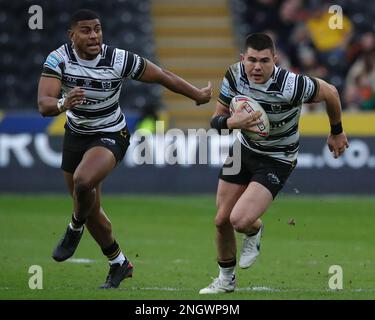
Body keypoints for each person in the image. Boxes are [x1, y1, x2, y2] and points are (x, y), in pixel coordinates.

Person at [37, 9, 212, 289]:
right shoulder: (58, 59)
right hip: (76, 135)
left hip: (110, 133)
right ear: (72, 35)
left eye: (97, 28)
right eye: (85, 30)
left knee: (84, 183)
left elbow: (161, 75)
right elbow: (44, 104)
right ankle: (119, 263)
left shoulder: (118, 59)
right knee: (91, 207)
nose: (94, 35)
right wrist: (63, 103)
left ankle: (73, 228)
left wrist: (197, 95)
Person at [199, 33, 349, 294]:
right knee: (221, 219)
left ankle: (253, 229)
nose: (257, 67)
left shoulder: (291, 85)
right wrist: (230, 124)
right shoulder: (234, 75)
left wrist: (336, 131)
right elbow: (217, 121)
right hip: (243, 150)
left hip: (278, 157)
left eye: (264, 61)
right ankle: (226, 280)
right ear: (242, 58)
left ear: (275, 60)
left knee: (239, 221)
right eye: (252, 60)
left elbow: (331, 92)